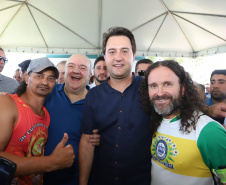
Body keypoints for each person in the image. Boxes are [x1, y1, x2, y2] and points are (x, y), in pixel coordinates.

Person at [79, 27, 151, 185]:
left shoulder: (150, 89)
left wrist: (207, 110)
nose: (118, 57)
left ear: (133, 55)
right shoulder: (93, 95)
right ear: (105, 56)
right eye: (112, 52)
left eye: (124, 51)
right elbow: (87, 142)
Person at [139, 60, 226, 185]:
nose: (159, 92)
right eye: (153, 85)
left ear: (183, 89)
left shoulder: (209, 131)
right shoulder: (155, 121)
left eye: (167, 84)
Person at [0, 57, 75, 185]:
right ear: (27, 77)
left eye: (51, 78)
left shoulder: (46, 114)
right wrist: (52, 162)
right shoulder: (8, 104)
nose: (45, 82)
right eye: (39, 76)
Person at [43, 54, 99, 185]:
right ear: (65, 71)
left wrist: (103, 137)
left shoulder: (98, 102)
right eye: (71, 66)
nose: (76, 70)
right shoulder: (48, 93)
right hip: (42, 176)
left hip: (80, 179)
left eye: (83, 67)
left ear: (90, 74)